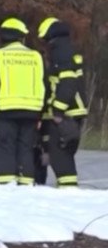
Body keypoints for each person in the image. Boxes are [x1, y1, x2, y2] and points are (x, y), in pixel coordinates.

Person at [0, 17, 46, 185]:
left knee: (5, 149)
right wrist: (41, 113)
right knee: (26, 150)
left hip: (6, 112)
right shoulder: (36, 57)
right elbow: (43, 85)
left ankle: (6, 187)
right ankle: (26, 185)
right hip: (32, 112)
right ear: (21, 37)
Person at [37, 17, 88, 188]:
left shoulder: (61, 51)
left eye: (45, 40)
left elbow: (67, 83)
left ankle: (68, 194)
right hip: (73, 112)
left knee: (60, 158)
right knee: (63, 156)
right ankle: (67, 191)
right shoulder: (67, 49)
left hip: (66, 113)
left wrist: (57, 112)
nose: (45, 44)